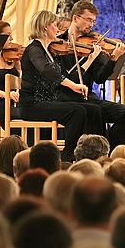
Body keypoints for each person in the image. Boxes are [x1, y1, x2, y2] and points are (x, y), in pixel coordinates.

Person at [57, 0, 125, 149]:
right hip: (65, 98)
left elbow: (99, 79)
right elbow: (63, 78)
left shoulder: (93, 44)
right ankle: (96, 153)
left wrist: (113, 59)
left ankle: (110, 150)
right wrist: (89, 60)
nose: (91, 25)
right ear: (75, 18)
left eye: (93, 21)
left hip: (88, 97)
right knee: (95, 110)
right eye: (88, 20)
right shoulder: (59, 44)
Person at [19, 10, 89, 160]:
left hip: (47, 101)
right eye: (55, 25)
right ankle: (67, 156)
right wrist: (73, 86)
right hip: (32, 104)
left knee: (87, 108)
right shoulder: (34, 49)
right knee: (77, 112)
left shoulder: (48, 50)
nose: (58, 29)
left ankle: (81, 153)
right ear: (45, 27)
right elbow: (47, 71)